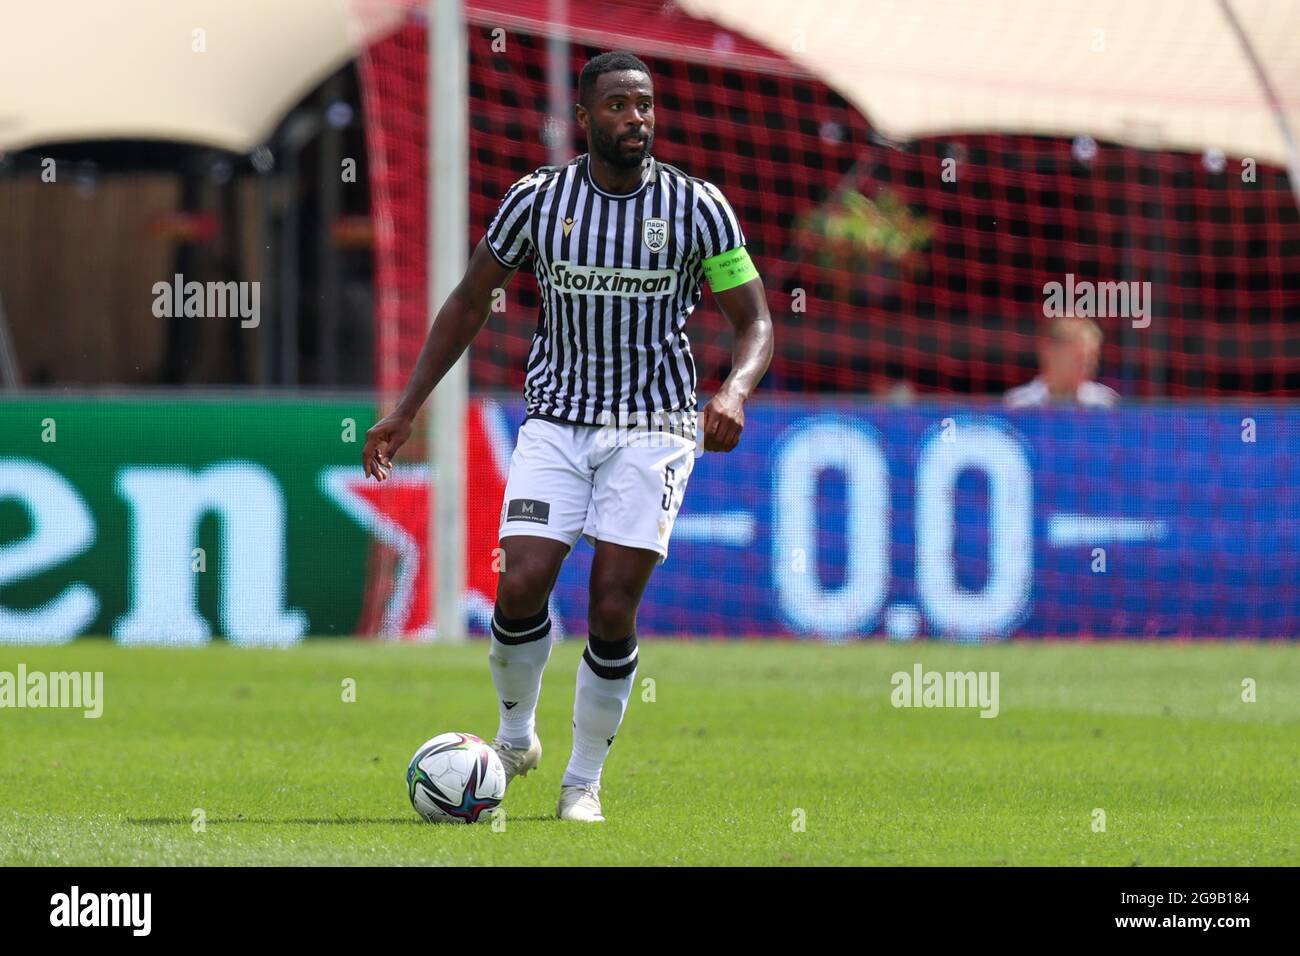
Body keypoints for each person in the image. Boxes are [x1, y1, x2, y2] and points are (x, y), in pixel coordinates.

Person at [362, 51, 773, 822]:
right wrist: (407, 406)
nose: (636, 120)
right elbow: (470, 299)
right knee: (519, 585)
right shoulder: (536, 202)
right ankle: (515, 737)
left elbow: (755, 322)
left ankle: (582, 782)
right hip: (556, 421)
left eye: (645, 106)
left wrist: (734, 390)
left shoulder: (698, 207)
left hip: (654, 427)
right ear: (583, 118)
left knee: (613, 604)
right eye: (618, 106)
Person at [1004, 316, 1119, 408]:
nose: (1090, 364)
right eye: (1080, 356)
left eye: (1093, 356)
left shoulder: (1106, 404)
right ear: (1050, 352)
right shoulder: (1018, 405)